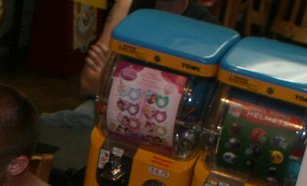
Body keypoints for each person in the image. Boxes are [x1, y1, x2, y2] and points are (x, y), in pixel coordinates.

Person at [40, 0, 220, 131]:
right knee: (62, 124)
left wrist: (117, 82)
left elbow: (194, 111)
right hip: (109, 109)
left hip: (164, 128)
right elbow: (89, 84)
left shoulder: (208, 29)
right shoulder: (129, 5)